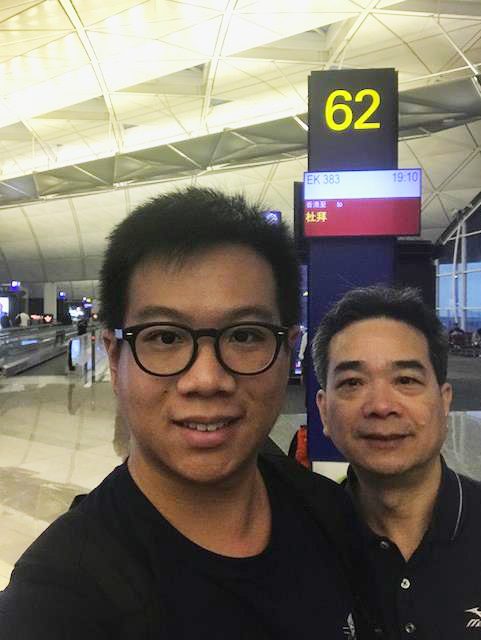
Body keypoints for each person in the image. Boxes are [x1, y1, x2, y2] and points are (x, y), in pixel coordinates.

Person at [0, 187, 372, 639]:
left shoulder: (331, 515)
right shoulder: (57, 601)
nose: (207, 379)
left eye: (245, 335)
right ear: (115, 360)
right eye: (166, 338)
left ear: (288, 351)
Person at [311, 285, 481, 639]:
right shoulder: (300, 543)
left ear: (444, 401)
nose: (381, 405)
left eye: (406, 380)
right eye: (353, 382)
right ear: (324, 411)